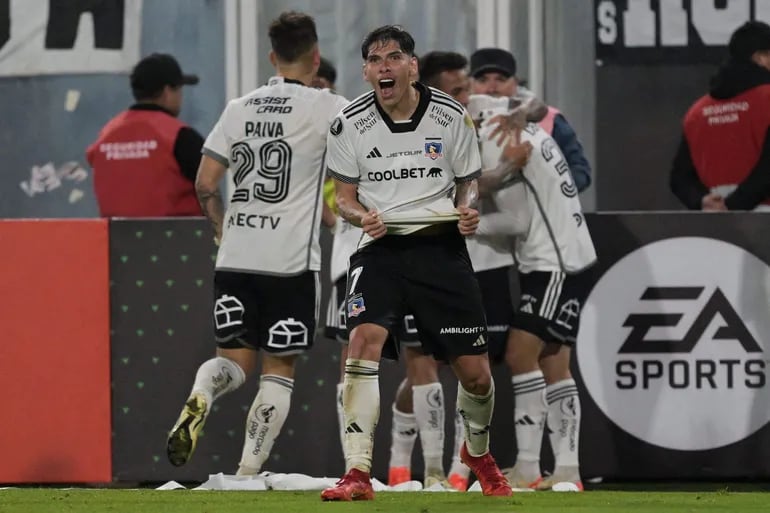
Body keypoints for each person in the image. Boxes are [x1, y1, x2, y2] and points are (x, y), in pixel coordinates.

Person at [320, 25, 512, 501]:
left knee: (477, 376)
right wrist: (361, 216)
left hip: (440, 251)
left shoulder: (450, 115)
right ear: (366, 71)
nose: (384, 66)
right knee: (361, 344)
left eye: (393, 57)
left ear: (412, 66)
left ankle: (478, 453)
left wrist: (469, 208)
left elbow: (468, 181)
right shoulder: (348, 123)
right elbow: (341, 199)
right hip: (380, 250)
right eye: (375, 59)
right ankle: (358, 472)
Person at [165, 11, 349, 476]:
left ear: (272, 56)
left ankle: (203, 392)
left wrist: (221, 230)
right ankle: (247, 471)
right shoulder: (330, 107)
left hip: (236, 258)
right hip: (289, 264)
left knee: (232, 360)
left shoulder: (238, 107)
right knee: (277, 369)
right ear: (316, 55)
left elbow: (206, 183)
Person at [469, 94, 597, 491]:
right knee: (554, 360)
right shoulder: (510, 119)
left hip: (552, 263)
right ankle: (568, 470)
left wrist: (471, 223)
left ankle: (528, 465)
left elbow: (517, 219)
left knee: (520, 353)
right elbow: (536, 104)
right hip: (566, 256)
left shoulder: (492, 136)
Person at [86, 53, 204, 217]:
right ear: (167, 91)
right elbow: (210, 184)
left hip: (116, 240)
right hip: (178, 238)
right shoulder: (180, 136)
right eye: (179, 89)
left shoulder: (106, 135)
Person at [670, 20, 770, 211]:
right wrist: (733, 205)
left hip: (715, 224)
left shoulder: (697, 112)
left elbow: (679, 178)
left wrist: (702, 200)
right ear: (760, 58)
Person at [469, 48, 592, 193]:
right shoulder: (457, 123)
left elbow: (580, 172)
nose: (491, 88)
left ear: (515, 82)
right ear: (470, 84)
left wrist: (548, 189)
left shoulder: (550, 119)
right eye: (482, 80)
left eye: (500, 79)